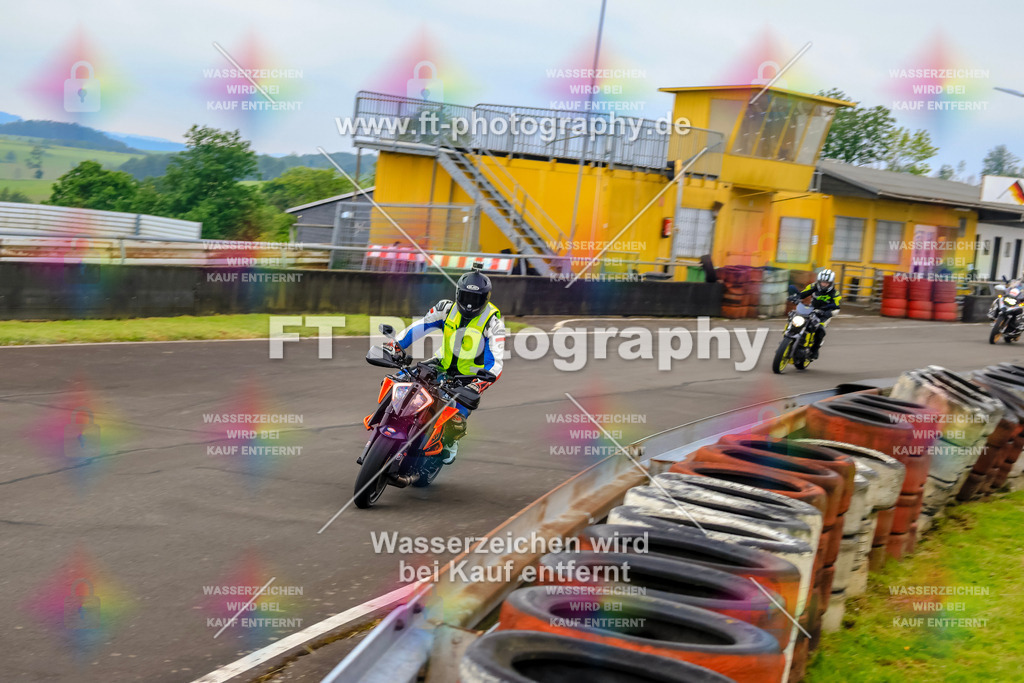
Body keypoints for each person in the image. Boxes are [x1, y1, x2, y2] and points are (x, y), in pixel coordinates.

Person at [385, 263, 505, 464]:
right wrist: (396, 345)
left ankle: (450, 442)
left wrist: (479, 384)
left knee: (456, 419)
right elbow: (420, 327)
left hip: (470, 377)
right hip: (441, 364)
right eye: (466, 296)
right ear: (458, 293)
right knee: (399, 380)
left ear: (485, 299)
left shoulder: (493, 323)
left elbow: (496, 362)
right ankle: (386, 418)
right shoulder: (445, 308)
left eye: (475, 299)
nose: (469, 304)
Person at [797, 268, 842, 360]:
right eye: (822, 282)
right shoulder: (814, 286)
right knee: (795, 318)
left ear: (831, 283)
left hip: (825, 314)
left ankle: (814, 350)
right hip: (812, 309)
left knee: (820, 329)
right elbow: (803, 293)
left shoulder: (835, 293)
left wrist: (827, 310)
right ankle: (788, 337)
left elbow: (837, 305)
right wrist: (795, 297)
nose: (823, 284)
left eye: (826, 283)